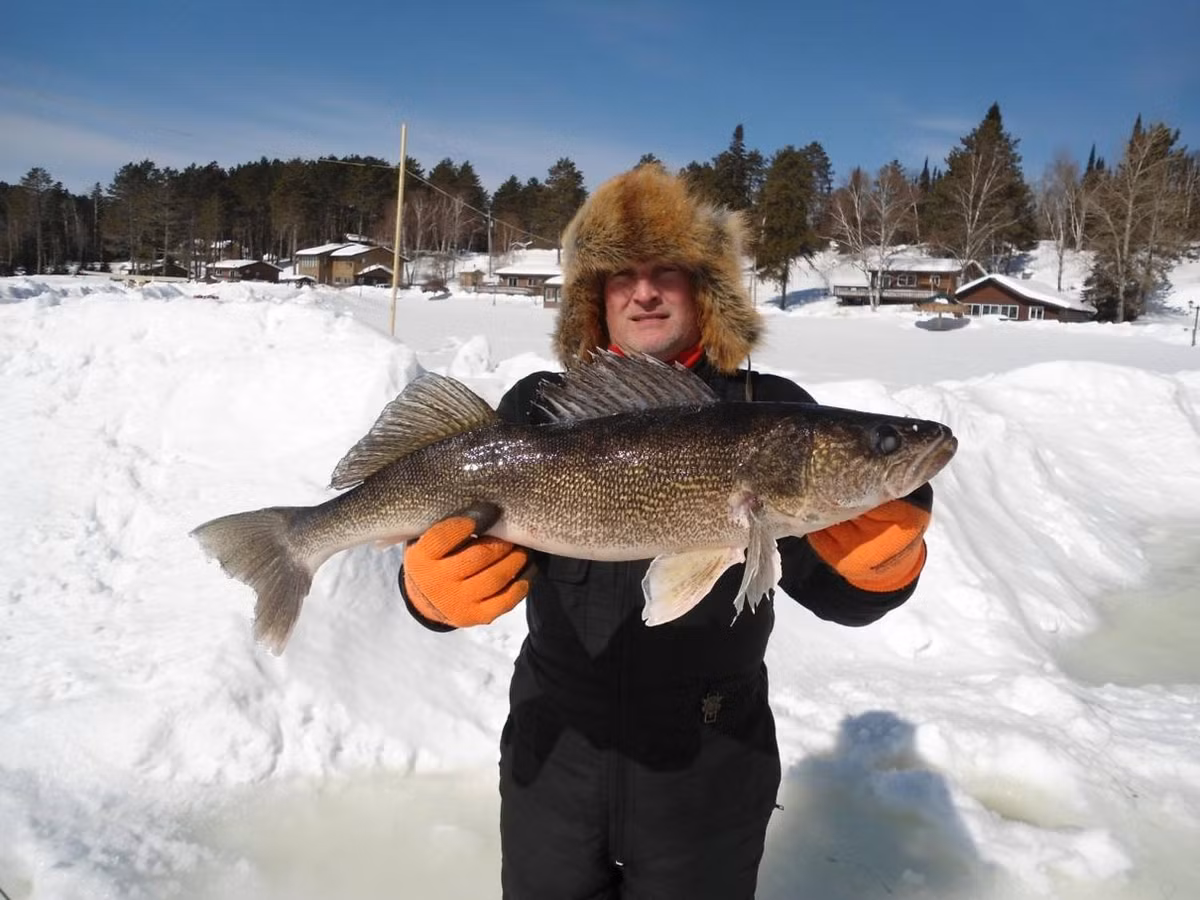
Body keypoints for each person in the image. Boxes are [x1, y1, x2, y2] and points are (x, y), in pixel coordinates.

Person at [398, 165, 935, 899]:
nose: (643, 291)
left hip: (709, 769)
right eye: (621, 275)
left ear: (705, 288)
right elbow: (447, 533)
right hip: (553, 757)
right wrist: (424, 594)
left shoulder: (771, 414)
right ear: (595, 297)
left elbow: (836, 591)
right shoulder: (540, 406)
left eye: (667, 273)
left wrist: (881, 571)